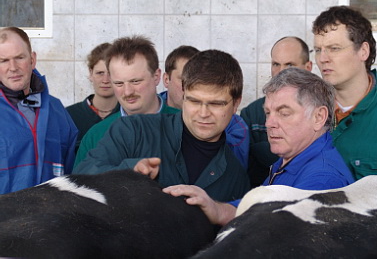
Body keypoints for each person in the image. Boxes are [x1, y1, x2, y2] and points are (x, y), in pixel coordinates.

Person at [163, 68, 354, 226]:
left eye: (284, 113)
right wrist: (216, 209)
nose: (269, 123)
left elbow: (274, 232)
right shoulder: (291, 158)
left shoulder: (323, 179)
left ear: (319, 117)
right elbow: (258, 206)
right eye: (268, 113)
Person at [74, 49, 251, 202]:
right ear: (183, 95)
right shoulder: (133, 131)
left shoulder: (236, 176)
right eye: (194, 101)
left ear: (236, 104)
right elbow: (79, 180)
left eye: (216, 104)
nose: (203, 113)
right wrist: (128, 172)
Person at [312, 5, 377, 180]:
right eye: (318, 50)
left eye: (334, 48)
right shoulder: (307, 112)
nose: (323, 59)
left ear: (363, 51)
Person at [73, 35, 179, 169]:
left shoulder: (186, 126)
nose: (127, 92)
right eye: (118, 83)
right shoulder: (96, 135)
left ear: (156, 76)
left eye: (135, 81)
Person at [0, 27, 78, 194]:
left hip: (51, 217)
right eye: (3, 60)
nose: (13, 67)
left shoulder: (57, 111)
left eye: (19, 57)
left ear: (32, 59)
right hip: (6, 218)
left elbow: (72, 175)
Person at [160, 45, 250, 169]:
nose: (203, 113)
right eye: (184, 79)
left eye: (216, 104)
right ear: (166, 79)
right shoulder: (147, 117)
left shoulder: (236, 126)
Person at [241, 36, 313, 187]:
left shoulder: (323, 113)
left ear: (308, 68)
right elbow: (246, 170)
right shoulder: (252, 114)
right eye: (276, 64)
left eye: (289, 65)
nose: (281, 72)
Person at [66, 43, 119, 153]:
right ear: (91, 73)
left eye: (111, 73)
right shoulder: (69, 115)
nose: (105, 80)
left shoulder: (129, 115)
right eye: (100, 73)